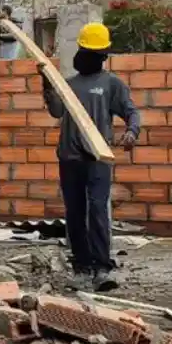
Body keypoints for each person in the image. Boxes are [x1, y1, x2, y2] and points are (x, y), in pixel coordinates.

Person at [40, 22, 140, 292]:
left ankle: (102, 267)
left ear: (103, 56)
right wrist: (48, 87)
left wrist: (132, 132)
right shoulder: (69, 85)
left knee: (97, 210)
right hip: (69, 158)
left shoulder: (111, 84)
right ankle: (82, 266)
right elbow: (58, 112)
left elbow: (131, 111)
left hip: (98, 158)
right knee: (75, 212)